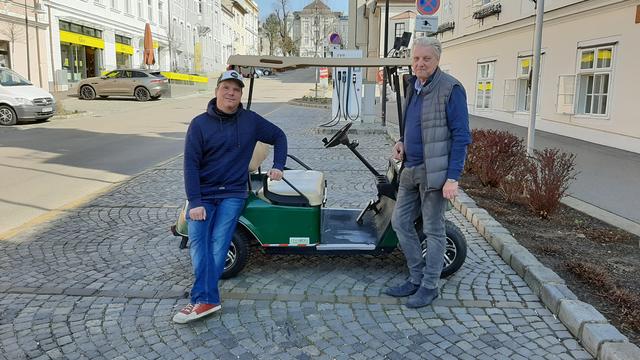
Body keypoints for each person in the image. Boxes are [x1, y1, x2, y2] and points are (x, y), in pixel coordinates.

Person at [173, 70, 287, 323]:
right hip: (203, 194)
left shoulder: (250, 120)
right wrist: (195, 202)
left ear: (241, 95)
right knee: (198, 245)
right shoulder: (199, 124)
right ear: (217, 91)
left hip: (233, 194)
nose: (231, 93)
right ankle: (207, 298)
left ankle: (203, 300)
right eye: (226, 88)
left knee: (218, 244)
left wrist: (278, 164)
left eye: (236, 89)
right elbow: (190, 165)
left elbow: (279, 136)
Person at [385, 37, 472, 308]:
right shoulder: (414, 86)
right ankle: (416, 277)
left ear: (437, 60)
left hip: (435, 173)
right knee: (400, 222)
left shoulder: (451, 89)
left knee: (434, 231)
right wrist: (401, 141)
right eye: (416, 58)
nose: (420, 63)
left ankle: (430, 285)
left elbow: (461, 136)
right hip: (410, 168)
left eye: (426, 59)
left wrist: (453, 177)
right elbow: (411, 123)